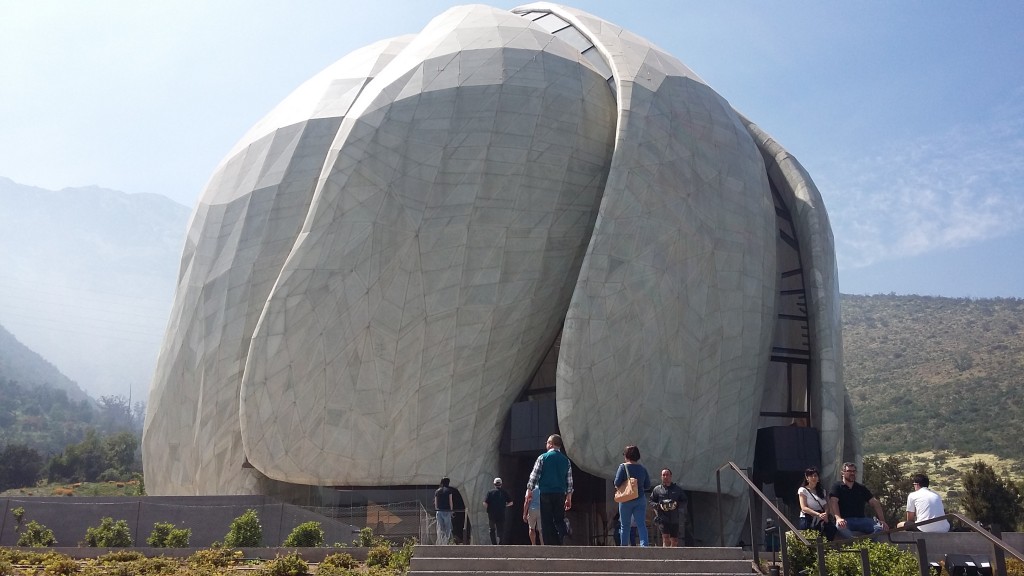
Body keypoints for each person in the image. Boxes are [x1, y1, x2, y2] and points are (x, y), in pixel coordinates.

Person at [525, 434, 573, 545]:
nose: (546, 444)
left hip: (546, 492)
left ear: (551, 444)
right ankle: (562, 536)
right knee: (559, 518)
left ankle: (549, 544)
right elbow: (569, 480)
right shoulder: (566, 461)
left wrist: (529, 490)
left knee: (546, 520)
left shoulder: (542, 458)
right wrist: (569, 497)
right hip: (560, 493)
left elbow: (534, 476)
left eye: (547, 442)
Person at [828, 462, 888, 539]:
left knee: (880, 528)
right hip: (846, 520)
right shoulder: (837, 487)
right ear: (842, 473)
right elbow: (833, 502)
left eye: (854, 471)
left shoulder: (861, 488)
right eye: (849, 471)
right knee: (840, 527)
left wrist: (882, 520)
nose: (852, 473)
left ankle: (867, 544)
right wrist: (838, 518)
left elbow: (875, 503)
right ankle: (855, 543)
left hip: (861, 520)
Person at [614, 444, 652, 546]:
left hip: (626, 499)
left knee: (625, 526)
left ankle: (624, 547)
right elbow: (648, 485)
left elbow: (616, 482)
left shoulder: (623, 467)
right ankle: (644, 545)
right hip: (640, 499)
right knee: (641, 524)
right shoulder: (642, 469)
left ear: (626, 455)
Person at [650, 468, 688, 547]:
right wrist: (658, 505)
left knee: (674, 540)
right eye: (663, 475)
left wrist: (676, 504)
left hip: (674, 518)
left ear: (671, 476)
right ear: (661, 477)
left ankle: (673, 556)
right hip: (663, 517)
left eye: (667, 475)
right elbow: (651, 501)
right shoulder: (657, 489)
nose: (665, 476)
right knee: (665, 537)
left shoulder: (677, 489)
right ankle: (665, 555)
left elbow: (684, 501)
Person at [797, 467, 836, 540]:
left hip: (821, 517)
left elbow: (826, 505)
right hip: (808, 517)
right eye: (811, 476)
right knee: (807, 533)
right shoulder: (803, 490)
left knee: (831, 529)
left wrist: (825, 514)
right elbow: (804, 507)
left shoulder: (822, 491)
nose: (813, 478)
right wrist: (817, 514)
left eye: (815, 475)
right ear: (807, 477)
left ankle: (827, 548)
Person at [484, 477, 514, 544]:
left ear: (494, 484)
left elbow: (485, 503)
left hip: (491, 514)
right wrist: (505, 505)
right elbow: (511, 503)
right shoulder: (504, 492)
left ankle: (494, 543)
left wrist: (489, 508)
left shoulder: (490, 492)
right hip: (501, 513)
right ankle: (500, 543)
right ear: (501, 484)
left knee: (492, 529)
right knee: (500, 529)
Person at [435, 477, 454, 544]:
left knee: (441, 528)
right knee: (447, 528)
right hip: (447, 511)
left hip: (439, 511)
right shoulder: (449, 491)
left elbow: (436, 503)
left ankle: (441, 542)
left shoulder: (437, 491)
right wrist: (451, 511)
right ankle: (446, 542)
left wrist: (436, 509)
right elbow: (450, 501)